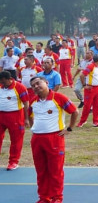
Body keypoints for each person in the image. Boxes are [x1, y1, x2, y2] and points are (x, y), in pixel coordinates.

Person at [28, 75, 78, 203]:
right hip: (37, 139)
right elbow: (29, 115)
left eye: (38, 83)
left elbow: (74, 111)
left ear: (46, 82)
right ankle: (44, 197)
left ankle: (57, 197)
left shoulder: (58, 98)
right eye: (33, 86)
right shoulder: (33, 101)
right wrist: (34, 127)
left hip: (54, 138)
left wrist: (69, 128)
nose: (36, 87)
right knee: (41, 170)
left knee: (55, 170)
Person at [0, 71, 29, 170]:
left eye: (4, 82)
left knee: (16, 140)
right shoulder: (0, 85)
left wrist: (26, 118)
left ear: (10, 79)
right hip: (1, 115)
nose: (2, 84)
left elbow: (26, 103)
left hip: (15, 116)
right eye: (1, 82)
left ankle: (13, 161)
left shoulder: (20, 87)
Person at [78, 55, 98, 127]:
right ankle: (82, 121)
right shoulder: (91, 66)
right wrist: (84, 85)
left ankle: (96, 121)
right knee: (87, 106)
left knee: (97, 105)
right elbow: (82, 75)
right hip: (90, 88)